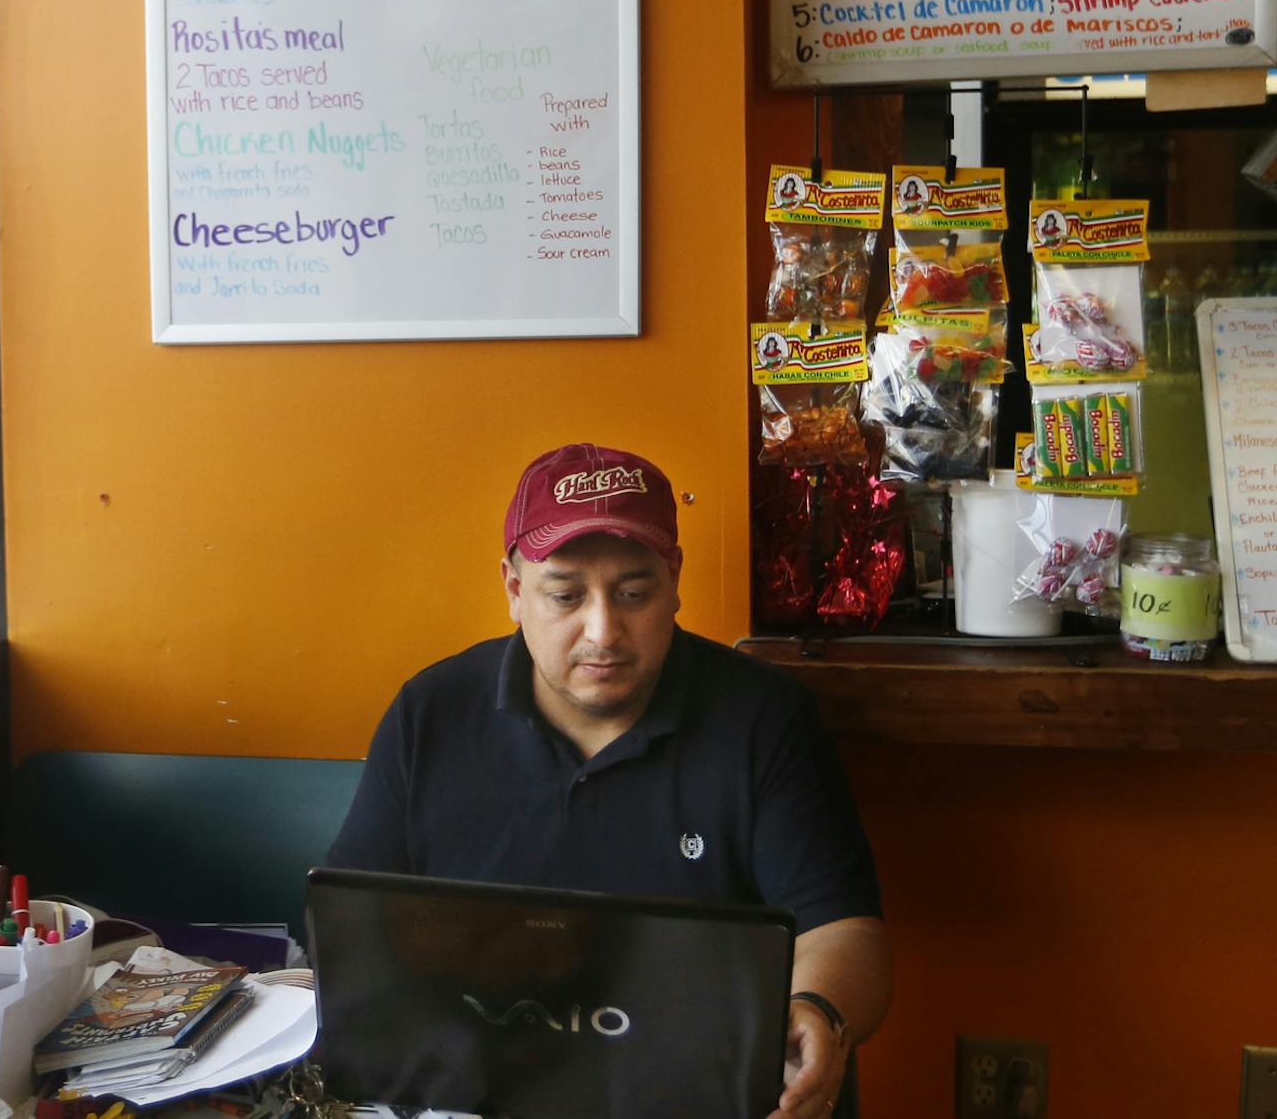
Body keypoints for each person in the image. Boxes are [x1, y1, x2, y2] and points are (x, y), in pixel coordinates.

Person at [327, 444, 890, 1119]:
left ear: (674, 581)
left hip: (701, 1091)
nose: (603, 631)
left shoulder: (764, 718)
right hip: (480, 1090)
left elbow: (842, 929)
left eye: (633, 593)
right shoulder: (432, 712)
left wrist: (817, 1007)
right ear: (514, 590)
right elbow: (354, 923)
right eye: (565, 595)